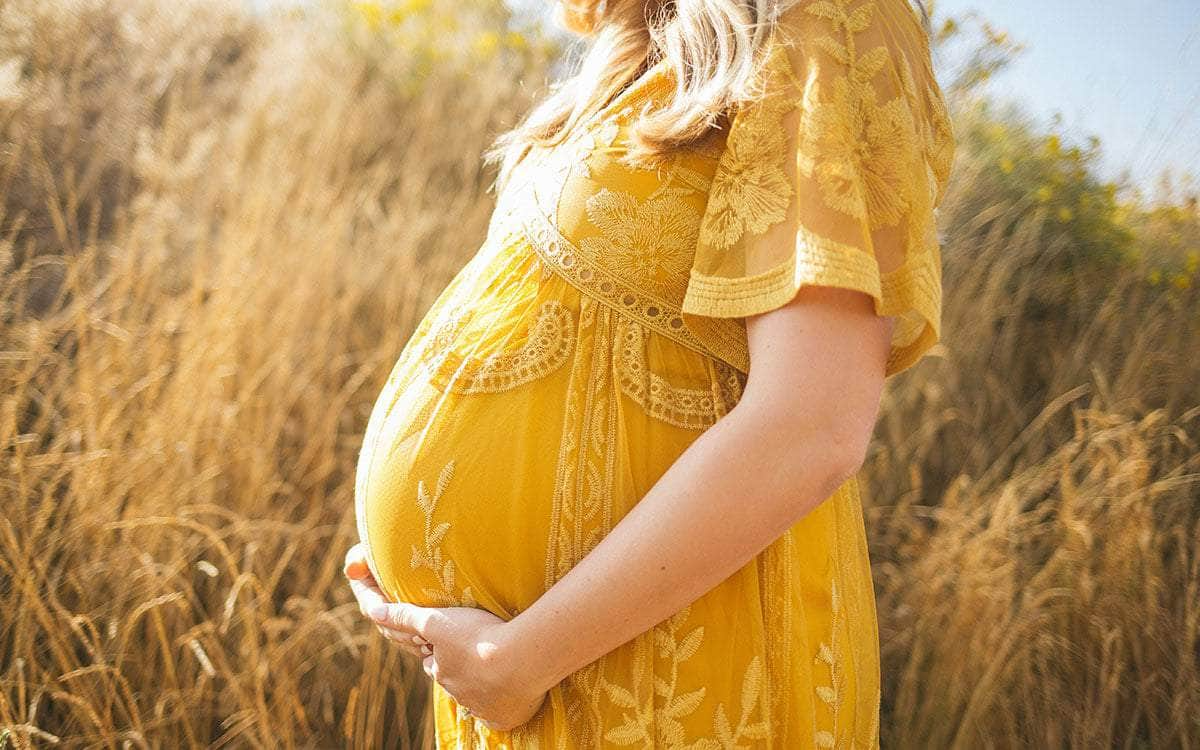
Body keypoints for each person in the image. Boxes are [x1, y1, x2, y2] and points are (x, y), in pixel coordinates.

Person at [345, 0, 956, 746]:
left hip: (664, 669)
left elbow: (812, 424)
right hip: (535, 673)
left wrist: (519, 658)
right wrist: (426, 556)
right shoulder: (638, 47)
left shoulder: (829, 20)